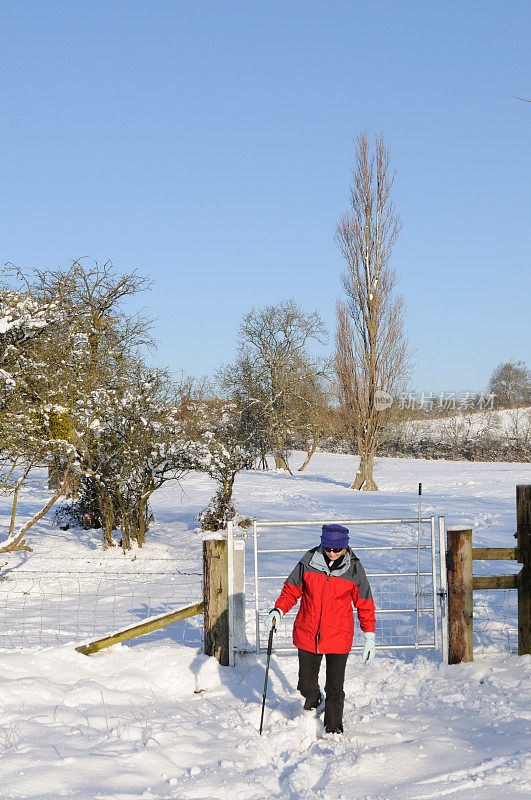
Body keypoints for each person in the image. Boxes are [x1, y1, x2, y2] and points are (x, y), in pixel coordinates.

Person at [265, 523, 376, 735]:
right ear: (322, 544)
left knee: (335, 687)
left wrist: (369, 633)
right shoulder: (308, 561)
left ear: (345, 547)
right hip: (308, 631)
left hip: (339, 634)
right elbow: (291, 590)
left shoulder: (354, 569)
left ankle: (333, 728)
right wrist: (279, 610)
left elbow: (364, 603)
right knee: (305, 683)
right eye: (328, 548)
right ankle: (314, 698)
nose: (332, 553)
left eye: (337, 549)